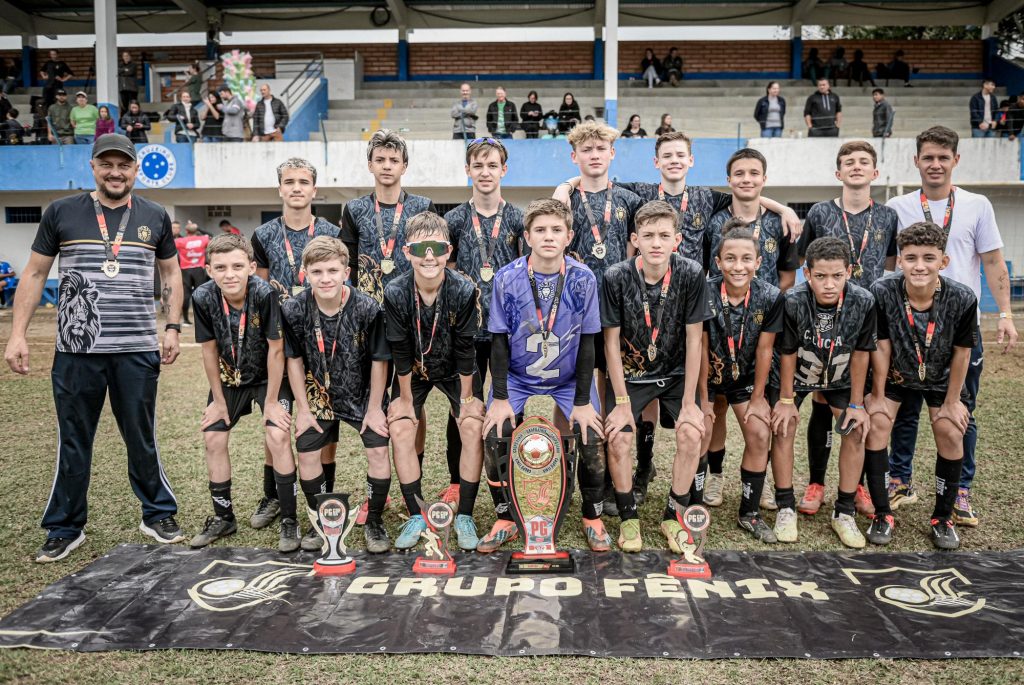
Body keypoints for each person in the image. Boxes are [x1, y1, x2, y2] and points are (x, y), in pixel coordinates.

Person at [4, 134, 184, 562]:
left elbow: (172, 275)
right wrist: (17, 333)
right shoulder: (62, 212)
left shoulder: (155, 216)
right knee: (74, 438)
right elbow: (32, 274)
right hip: (76, 348)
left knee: (141, 436)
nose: (116, 172)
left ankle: (156, 513)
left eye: (124, 165)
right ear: (93, 167)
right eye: (107, 164)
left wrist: (172, 326)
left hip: (137, 348)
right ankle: (66, 527)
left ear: (136, 169)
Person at [885, 126, 1017, 526]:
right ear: (917, 161)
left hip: (959, 329)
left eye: (943, 157)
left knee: (960, 411)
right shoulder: (897, 205)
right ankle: (899, 480)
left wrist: (1007, 314)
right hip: (908, 329)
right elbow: (892, 268)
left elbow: (993, 263)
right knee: (904, 410)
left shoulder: (977, 205)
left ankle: (960, 491)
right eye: (928, 157)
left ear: (955, 160)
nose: (936, 164)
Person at [481, 198, 605, 552]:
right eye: (540, 230)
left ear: (569, 236)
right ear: (527, 237)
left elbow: (587, 343)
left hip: (567, 377)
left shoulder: (583, 278)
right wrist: (502, 397)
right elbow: (499, 342)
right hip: (519, 375)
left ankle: (592, 515)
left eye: (556, 230)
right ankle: (505, 515)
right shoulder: (507, 278)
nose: (548, 237)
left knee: (591, 433)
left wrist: (582, 401)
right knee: (495, 431)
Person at [796, 141, 899, 517]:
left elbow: (888, 263)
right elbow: (804, 260)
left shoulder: (887, 216)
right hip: (824, 316)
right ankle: (817, 482)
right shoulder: (821, 212)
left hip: (865, 318)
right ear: (838, 173)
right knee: (822, 400)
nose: (856, 167)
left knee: (860, 402)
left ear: (875, 172)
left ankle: (857, 486)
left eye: (864, 162)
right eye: (848, 163)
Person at [603, 201, 710, 551]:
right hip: (632, 376)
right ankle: (628, 518)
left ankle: (673, 516)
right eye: (648, 235)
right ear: (635, 239)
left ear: (677, 240)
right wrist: (620, 403)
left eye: (664, 236)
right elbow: (611, 342)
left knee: (692, 433)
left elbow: (695, 339)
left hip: (677, 372)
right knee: (618, 437)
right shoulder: (615, 276)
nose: (656, 243)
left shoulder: (691, 273)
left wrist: (692, 402)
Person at [866, 222, 978, 549]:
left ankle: (942, 518)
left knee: (950, 430)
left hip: (941, 377)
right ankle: (882, 514)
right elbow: (881, 346)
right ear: (899, 260)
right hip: (898, 374)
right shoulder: (882, 291)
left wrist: (953, 401)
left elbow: (962, 352)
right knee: (877, 425)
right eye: (911, 257)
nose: (919, 265)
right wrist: (877, 395)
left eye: (928, 258)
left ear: (943, 262)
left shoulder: (961, 297)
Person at [250, 158, 342, 541]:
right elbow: (260, 291)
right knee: (279, 423)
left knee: (325, 429)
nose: (297, 188)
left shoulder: (333, 232)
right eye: (289, 182)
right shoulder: (263, 235)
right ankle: (273, 495)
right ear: (280, 188)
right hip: (282, 342)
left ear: (314, 189)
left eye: (304, 181)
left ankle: (324, 500)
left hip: (325, 346)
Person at [282, 236, 393, 553]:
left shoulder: (368, 307)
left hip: (361, 395)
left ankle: (373, 522)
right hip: (317, 395)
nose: (325, 278)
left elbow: (379, 361)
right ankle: (320, 521)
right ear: (305, 273)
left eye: (333, 270)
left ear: (346, 271)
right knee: (307, 453)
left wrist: (374, 409)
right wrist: (302, 409)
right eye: (317, 272)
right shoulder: (293, 309)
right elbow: (294, 360)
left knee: (377, 452)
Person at [384, 213, 485, 552]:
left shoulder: (464, 289)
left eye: (437, 247)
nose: (429, 255)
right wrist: (404, 401)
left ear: (448, 251)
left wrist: (468, 400)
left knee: (471, 425)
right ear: (407, 252)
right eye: (421, 248)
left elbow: (467, 347)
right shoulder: (395, 291)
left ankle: (465, 514)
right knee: (400, 425)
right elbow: (399, 349)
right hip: (413, 368)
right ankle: (416, 513)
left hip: (456, 369)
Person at [188, 235, 296, 551]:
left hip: (268, 378)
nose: (230, 274)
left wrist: (274, 401)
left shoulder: (265, 294)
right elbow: (208, 351)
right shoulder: (203, 297)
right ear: (208, 270)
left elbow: (277, 351)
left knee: (277, 434)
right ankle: (224, 517)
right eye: (220, 267)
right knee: (213, 436)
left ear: (251, 267)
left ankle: (288, 519)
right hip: (229, 379)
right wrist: (218, 401)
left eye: (237, 266)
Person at [773, 237, 876, 549]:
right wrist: (787, 400)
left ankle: (843, 512)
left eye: (836, 276)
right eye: (820, 276)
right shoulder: (792, 300)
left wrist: (857, 403)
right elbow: (788, 352)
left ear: (849, 271)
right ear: (807, 273)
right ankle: (785, 506)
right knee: (783, 425)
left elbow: (861, 354)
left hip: (841, 377)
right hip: (800, 373)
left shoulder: (863, 301)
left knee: (855, 430)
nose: (829, 284)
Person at [444, 138, 525, 506]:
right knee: (463, 406)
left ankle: (510, 477)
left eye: (492, 165)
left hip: (506, 331)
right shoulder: (455, 220)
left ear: (503, 170)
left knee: (509, 405)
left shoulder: (518, 219)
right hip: (465, 331)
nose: (485, 172)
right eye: (478, 165)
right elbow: (445, 272)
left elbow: (527, 273)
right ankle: (457, 482)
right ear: (467, 170)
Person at [702, 219, 786, 542]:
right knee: (704, 426)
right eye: (731, 259)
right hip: (708, 376)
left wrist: (757, 398)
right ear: (719, 261)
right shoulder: (705, 290)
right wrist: (701, 399)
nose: (739, 266)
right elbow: (700, 345)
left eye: (746, 259)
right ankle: (697, 502)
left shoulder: (769, 296)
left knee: (759, 431)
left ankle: (749, 512)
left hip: (746, 377)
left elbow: (766, 349)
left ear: (758, 262)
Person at [340, 129, 437, 306]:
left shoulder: (423, 207)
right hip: (368, 309)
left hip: (412, 306)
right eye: (380, 160)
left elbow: (433, 260)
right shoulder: (354, 209)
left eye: (394, 160)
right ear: (370, 165)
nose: (386, 166)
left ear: (404, 167)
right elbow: (349, 263)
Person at [707, 148, 800, 291]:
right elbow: (701, 272)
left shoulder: (781, 224)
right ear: (729, 180)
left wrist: (766, 304)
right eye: (739, 174)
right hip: (720, 310)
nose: (746, 179)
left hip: (767, 311)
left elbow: (788, 279)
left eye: (754, 173)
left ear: (764, 179)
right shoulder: (713, 222)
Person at [175, 220, 211, 326]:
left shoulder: (180, 241)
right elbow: (211, 236)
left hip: (185, 270)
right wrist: (198, 228)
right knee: (200, 294)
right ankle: (202, 320)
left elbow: (169, 244)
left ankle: (186, 320)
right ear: (196, 230)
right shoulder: (203, 239)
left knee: (186, 295)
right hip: (199, 269)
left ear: (186, 231)